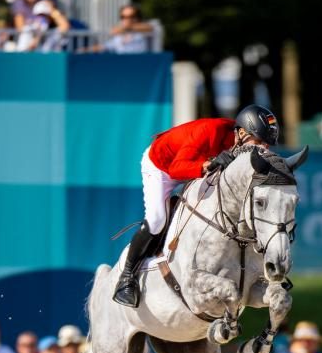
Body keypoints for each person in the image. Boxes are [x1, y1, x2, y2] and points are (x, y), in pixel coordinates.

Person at [112, 104, 281, 308]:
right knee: (157, 220)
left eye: (268, 144)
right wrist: (209, 164)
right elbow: (176, 170)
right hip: (162, 168)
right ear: (242, 133)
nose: (264, 149)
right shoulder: (208, 132)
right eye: (261, 141)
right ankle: (126, 277)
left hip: (195, 168)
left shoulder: (244, 144)